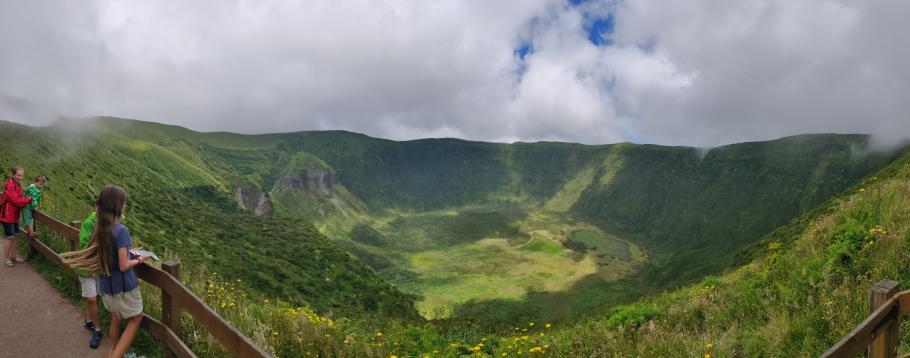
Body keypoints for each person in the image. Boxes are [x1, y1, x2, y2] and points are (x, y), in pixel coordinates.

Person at [63, 186, 147, 358]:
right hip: (124, 287)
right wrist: (139, 259)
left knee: (117, 315)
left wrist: (126, 254)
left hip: (106, 286)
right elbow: (123, 265)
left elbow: (110, 254)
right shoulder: (121, 230)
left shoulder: (98, 227)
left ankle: (111, 351)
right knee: (137, 317)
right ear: (118, 206)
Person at [78, 211, 104, 348]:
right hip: (87, 269)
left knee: (96, 296)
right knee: (92, 298)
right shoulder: (88, 223)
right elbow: (84, 244)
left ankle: (89, 321)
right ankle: (97, 330)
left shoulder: (109, 223)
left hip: (99, 269)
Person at [1, 166, 32, 267]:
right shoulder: (10, 185)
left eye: (22, 175)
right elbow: (16, 200)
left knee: (14, 237)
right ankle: (6, 259)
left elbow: (19, 198)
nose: (20, 177)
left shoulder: (17, 184)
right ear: (13, 174)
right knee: (9, 237)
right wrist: (28, 200)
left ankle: (13, 257)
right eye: (18, 175)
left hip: (13, 215)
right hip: (7, 215)